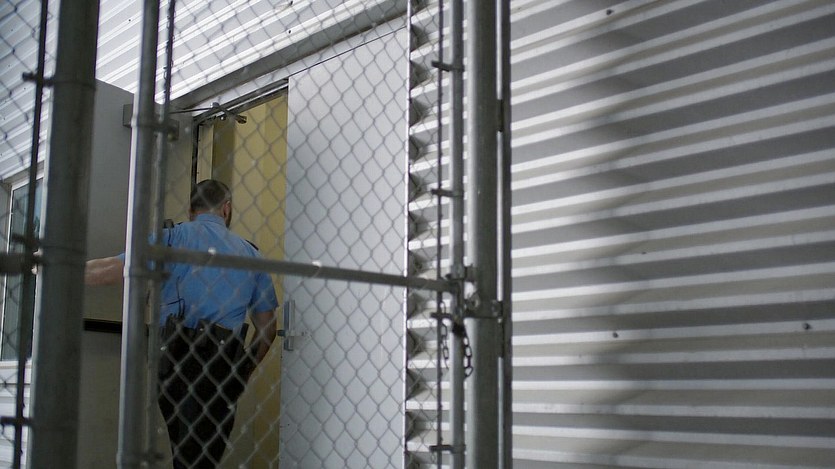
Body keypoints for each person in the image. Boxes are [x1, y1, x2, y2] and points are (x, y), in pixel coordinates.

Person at [86, 179, 278, 468]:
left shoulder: (171, 239)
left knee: (183, 450)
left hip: (174, 358)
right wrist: (244, 370)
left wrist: (59, 266)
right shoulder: (251, 255)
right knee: (204, 455)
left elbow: (113, 268)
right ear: (226, 209)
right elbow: (267, 327)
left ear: (191, 210)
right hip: (223, 364)